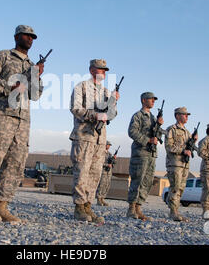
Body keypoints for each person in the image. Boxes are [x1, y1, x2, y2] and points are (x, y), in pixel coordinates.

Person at [0, 25, 44, 222]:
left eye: (32, 37)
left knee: (15, 163)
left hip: (22, 121)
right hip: (1, 116)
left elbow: (36, 95)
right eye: (26, 35)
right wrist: (10, 87)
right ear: (16, 37)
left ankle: (2, 205)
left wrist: (36, 76)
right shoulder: (3, 56)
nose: (30, 39)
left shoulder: (32, 65)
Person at [69, 59, 119, 223]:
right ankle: (79, 208)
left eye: (105, 70)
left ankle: (88, 206)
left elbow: (112, 115)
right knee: (82, 172)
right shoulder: (82, 87)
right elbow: (75, 108)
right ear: (92, 70)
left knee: (95, 174)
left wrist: (113, 102)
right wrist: (94, 115)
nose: (103, 72)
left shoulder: (106, 92)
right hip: (84, 136)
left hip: (100, 140)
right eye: (100, 69)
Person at [126, 92, 163, 221]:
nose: (153, 101)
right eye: (151, 99)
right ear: (143, 100)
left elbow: (157, 136)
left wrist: (159, 126)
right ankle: (131, 208)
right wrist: (147, 140)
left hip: (151, 154)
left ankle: (138, 208)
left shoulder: (153, 118)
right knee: (137, 179)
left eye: (154, 99)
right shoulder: (138, 115)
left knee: (147, 181)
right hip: (140, 153)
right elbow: (132, 131)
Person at [164, 107, 196, 222]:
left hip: (184, 164)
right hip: (175, 164)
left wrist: (193, 141)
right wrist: (183, 150)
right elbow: (169, 146)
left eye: (187, 115)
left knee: (181, 188)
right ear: (177, 116)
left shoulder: (187, 132)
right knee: (175, 187)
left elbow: (189, 147)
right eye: (184, 114)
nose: (186, 116)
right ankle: (173, 212)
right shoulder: (171, 129)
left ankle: (176, 210)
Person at [96, 141, 117, 206]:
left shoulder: (110, 154)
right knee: (101, 185)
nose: (109, 146)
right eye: (108, 145)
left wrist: (114, 159)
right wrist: (106, 165)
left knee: (107, 185)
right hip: (103, 172)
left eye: (109, 145)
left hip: (109, 172)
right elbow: (99, 162)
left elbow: (114, 163)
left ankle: (102, 198)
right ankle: (99, 199)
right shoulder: (101, 153)